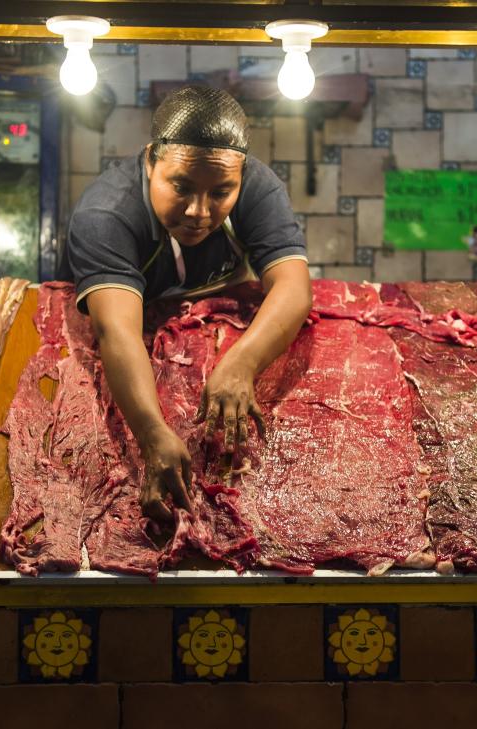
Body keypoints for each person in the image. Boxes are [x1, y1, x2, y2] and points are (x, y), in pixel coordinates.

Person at [63, 86, 312, 521]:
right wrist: (151, 431)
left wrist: (242, 363)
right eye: (181, 186)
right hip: (134, 325)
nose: (199, 211)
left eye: (220, 193)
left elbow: (293, 288)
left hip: (220, 321)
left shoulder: (256, 186)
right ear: (150, 161)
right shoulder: (106, 216)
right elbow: (116, 331)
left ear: (240, 175)